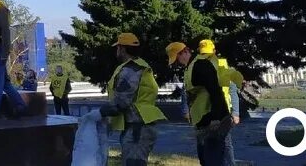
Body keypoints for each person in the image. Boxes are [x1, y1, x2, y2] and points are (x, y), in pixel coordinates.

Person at [84, 33, 166, 166]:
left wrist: (99, 113)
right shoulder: (139, 65)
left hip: (137, 127)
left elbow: (121, 102)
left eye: (117, 47)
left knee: (133, 162)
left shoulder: (130, 70)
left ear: (122, 48)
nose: (116, 50)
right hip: (139, 124)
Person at [177, 41, 244, 166]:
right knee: (207, 150)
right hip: (206, 115)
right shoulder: (195, 66)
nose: (206, 56)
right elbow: (187, 91)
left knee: (222, 148)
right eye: (203, 53)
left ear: (214, 52)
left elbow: (231, 90)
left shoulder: (220, 65)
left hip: (220, 114)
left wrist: (235, 112)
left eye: (208, 53)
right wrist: (187, 110)